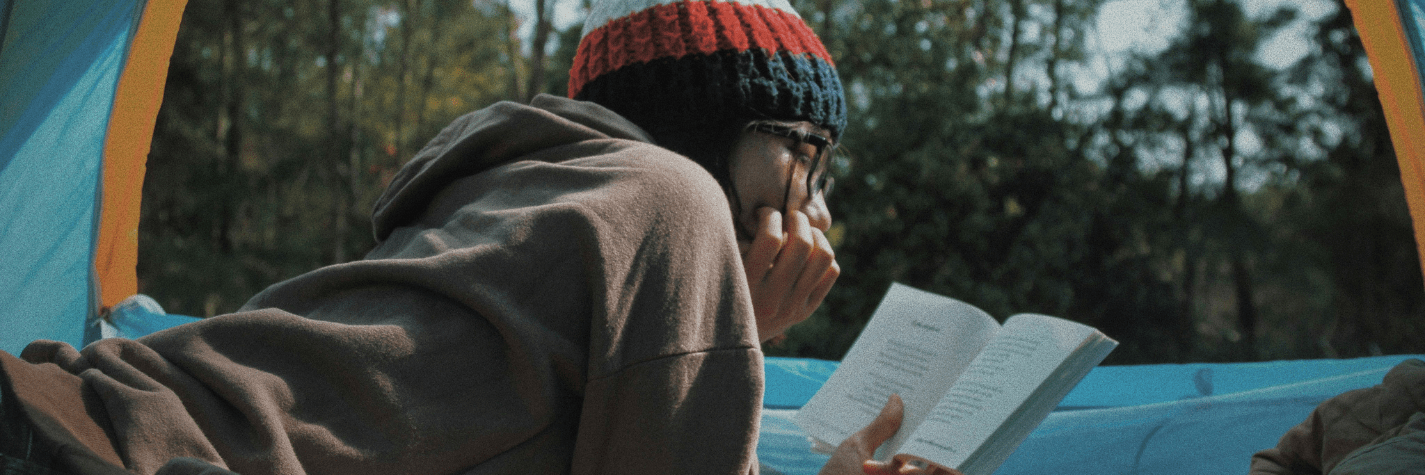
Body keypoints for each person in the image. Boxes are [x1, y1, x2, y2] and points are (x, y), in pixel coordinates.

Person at [0, 0, 952, 474]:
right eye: (806, 152)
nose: (819, 205)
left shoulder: (532, 192)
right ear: (710, 129)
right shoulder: (670, 197)